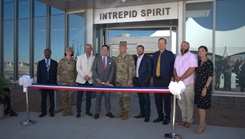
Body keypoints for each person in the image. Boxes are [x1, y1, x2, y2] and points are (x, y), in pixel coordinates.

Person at [173, 41, 198, 128]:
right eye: (182, 46)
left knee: (189, 103)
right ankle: (184, 119)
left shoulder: (192, 56)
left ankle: (189, 121)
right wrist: (176, 76)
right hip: (179, 84)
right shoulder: (178, 57)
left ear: (188, 47)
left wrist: (182, 78)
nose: (183, 47)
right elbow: (175, 68)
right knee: (181, 102)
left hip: (188, 84)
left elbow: (192, 69)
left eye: (185, 46)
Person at [152, 37, 175, 125]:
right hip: (156, 80)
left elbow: (173, 67)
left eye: (162, 43)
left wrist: (172, 78)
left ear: (165, 44)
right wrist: (151, 77)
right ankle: (160, 116)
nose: (160, 45)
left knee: (166, 100)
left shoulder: (170, 54)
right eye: (159, 43)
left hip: (166, 80)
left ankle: (167, 118)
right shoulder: (155, 55)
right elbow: (153, 67)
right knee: (157, 100)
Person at [92, 45, 115, 119]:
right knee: (98, 99)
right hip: (98, 83)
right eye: (103, 49)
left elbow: (112, 71)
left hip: (107, 84)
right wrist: (97, 79)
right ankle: (97, 112)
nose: (104, 51)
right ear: (101, 50)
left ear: (108, 51)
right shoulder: (96, 59)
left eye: (106, 49)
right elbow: (94, 69)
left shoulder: (111, 60)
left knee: (107, 99)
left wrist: (109, 80)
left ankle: (108, 112)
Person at [194, 46, 213, 133]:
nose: (200, 52)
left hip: (205, 87)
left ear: (206, 52)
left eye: (202, 51)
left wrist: (205, 88)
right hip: (198, 86)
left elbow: (210, 76)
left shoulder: (209, 63)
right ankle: (203, 123)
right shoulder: (198, 62)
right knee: (199, 106)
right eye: (199, 51)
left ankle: (201, 125)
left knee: (202, 107)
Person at [115, 41, 135, 120]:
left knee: (126, 98)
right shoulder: (117, 58)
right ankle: (121, 112)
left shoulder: (130, 58)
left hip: (126, 82)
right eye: (120, 47)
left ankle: (126, 113)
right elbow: (116, 69)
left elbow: (132, 70)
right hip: (119, 81)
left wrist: (130, 81)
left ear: (126, 48)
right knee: (119, 97)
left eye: (123, 47)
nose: (121, 48)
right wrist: (116, 80)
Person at [133, 45, 152, 122]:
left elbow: (150, 70)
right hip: (137, 81)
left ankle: (147, 115)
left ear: (143, 50)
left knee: (146, 98)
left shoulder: (147, 58)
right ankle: (142, 113)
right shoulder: (135, 58)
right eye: (138, 49)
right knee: (140, 98)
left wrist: (146, 80)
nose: (139, 50)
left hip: (144, 82)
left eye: (140, 49)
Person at [37, 48, 58, 117]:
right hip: (43, 84)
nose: (47, 54)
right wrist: (39, 85)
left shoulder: (55, 63)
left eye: (48, 53)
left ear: (50, 53)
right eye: (46, 53)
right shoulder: (40, 63)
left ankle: (51, 112)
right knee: (43, 99)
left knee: (51, 98)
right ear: (44, 54)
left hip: (52, 83)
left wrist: (56, 85)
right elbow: (38, 75)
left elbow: (56, 74)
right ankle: (43, 112)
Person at [76, 44, 95, 118]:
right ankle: (78, 111)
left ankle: (88, 111)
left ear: (91, 49)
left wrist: (89, 76)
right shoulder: (80, 57)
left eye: (89, 48)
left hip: (89, 81)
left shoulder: (94, 58)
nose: (87, 49)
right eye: (86, 48)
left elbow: (94, 69)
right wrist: (84, 76)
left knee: (88, 97)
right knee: (79, 97)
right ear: (85, 49)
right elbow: (78, 68)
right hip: (81, 80)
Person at [57, 47, 77, 116]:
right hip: (63, 81)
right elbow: (58, 72)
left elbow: (75, 72)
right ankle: (65, 110)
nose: (68, 52)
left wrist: (75, 81)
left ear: (72, 52)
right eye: (67, 51)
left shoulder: (74, 61)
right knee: (64, 96)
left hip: (71, 81)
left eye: (70, 51)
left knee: (70, 96)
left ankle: (70, 110)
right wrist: (59, 81)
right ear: (65, 52)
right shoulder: (62, 61)